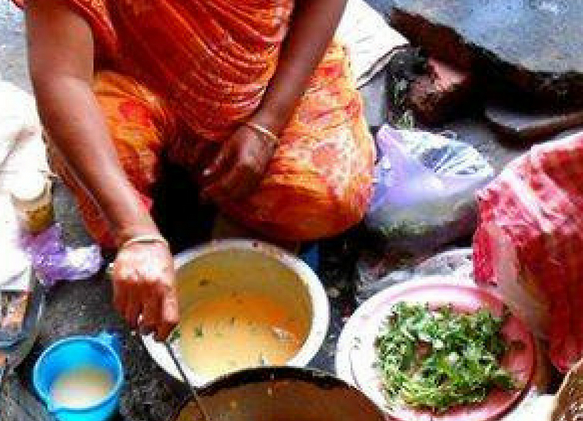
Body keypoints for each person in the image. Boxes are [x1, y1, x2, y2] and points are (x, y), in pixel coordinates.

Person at [25, 0, 374, 339]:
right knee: (105, 169)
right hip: (132, 70)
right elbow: (63, 77)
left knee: (329, 195)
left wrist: (268, 123)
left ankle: (230, 212)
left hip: (268, 70)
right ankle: (150, 220)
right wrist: (134, 233)